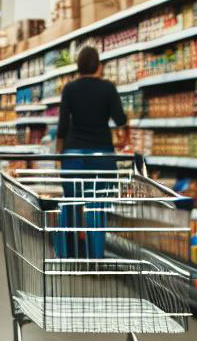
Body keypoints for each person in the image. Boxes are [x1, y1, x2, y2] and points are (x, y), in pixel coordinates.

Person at [55, 45, 128, 258]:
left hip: (74, 156)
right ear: (98, 65)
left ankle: (66, 255)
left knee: (70, 204)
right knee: (96, 206)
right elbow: (120, 119)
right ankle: (95, 259)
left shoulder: (69, 89)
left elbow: (62, 125)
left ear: (78, 66)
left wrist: (59, 154)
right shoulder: (108, 88)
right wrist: (126, 130)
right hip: (101, 156)